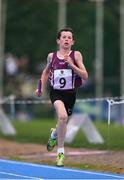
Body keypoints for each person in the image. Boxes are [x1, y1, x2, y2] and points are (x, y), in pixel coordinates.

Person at [35, 27, 88, 167]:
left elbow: (85, 76)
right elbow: (46, 72)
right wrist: (40, 87)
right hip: (56, 93)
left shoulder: (76, 55)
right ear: (58, 40)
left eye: (69, 37)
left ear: (73, 42)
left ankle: (53, 135)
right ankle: (60, 153)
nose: (66, 39)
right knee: (63, 117)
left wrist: (72, 66)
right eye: (64, 37)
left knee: (63, 121)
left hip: (71, 94)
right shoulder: (51, 56)